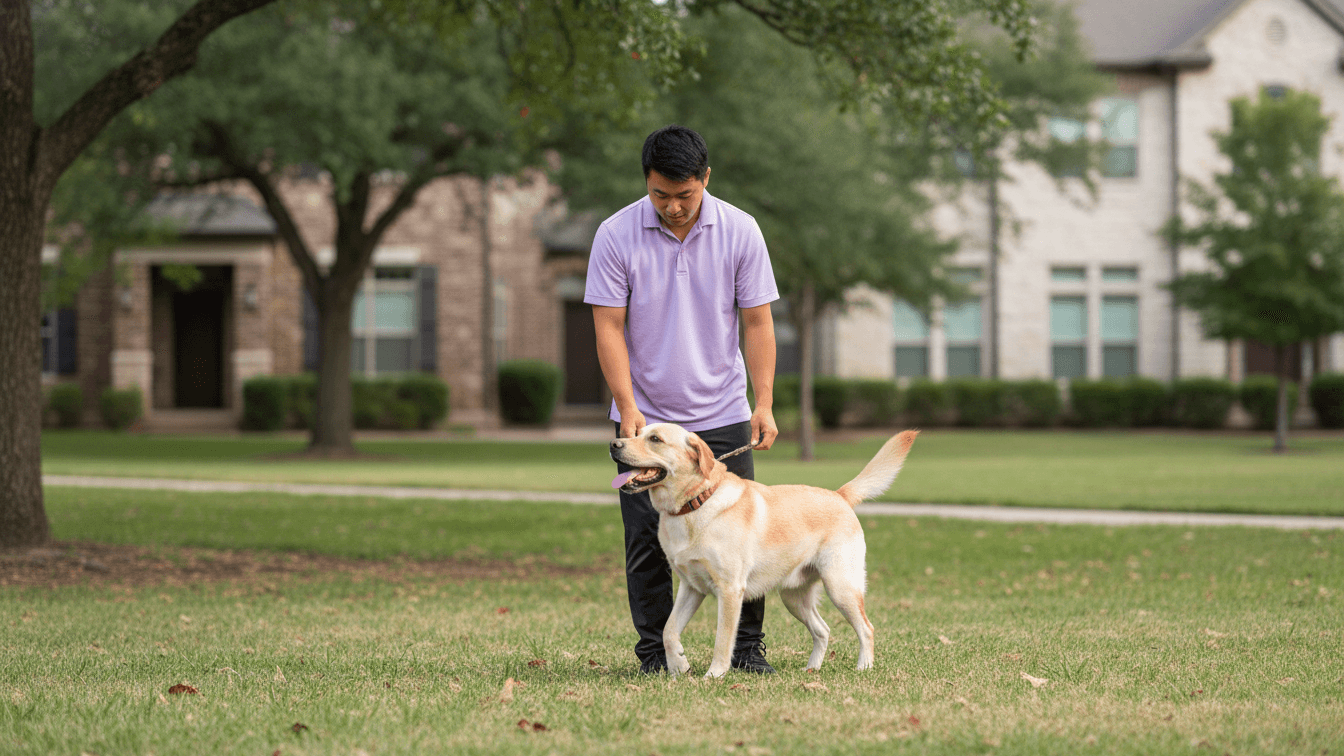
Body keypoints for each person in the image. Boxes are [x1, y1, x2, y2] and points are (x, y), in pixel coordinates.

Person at [584, 124, 781, 674]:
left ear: (706, 180)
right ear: (646, 183)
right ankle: (653, 655)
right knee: (646, 541)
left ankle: (745, 651)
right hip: (644, 418)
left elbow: (759, 321)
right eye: (660, 194)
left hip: (721, 411)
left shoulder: (741, 231)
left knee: (740, 540)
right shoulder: (615, 234)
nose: (672, 207)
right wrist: (627, 406)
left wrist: (761, 403)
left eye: (684, 195)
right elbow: (608, 327)